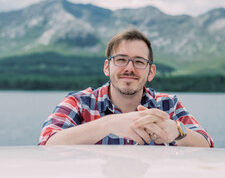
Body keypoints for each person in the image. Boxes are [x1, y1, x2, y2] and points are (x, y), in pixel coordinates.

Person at [39, 28, 214, 147]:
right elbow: (46, 144)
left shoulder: (168, 105)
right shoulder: (79, 102)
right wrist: (108, 123)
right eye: (121, 59)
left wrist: (176, 130)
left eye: (139, 61)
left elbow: (207, 145)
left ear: (150, 71)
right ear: (107, 67)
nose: (129, 68)